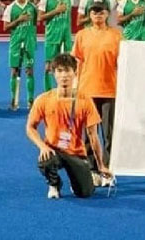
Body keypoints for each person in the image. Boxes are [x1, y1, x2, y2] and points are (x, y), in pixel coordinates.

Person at [26, 53, 112, 199]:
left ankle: (76, 180)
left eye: (67, 71)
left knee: (84, 193)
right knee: (46, 160)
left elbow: (93, 136)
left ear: (75, 73)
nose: (64, 75)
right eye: (59, 71)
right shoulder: (43, 100)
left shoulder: (85, 101)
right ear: (53, 74)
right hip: (54, 151)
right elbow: (30, 127)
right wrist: (42, 146)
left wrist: (101, 165)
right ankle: (54, 184)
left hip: (76, 154)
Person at [72, 0, 122, 184]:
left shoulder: (117, 36)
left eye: (101, 11)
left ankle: (107, 170)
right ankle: (92, 170)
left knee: (109, 135)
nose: (98, 14)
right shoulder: (82, 35)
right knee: (89, 134)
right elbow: (77, 62)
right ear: (89, 15)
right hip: (87, 90)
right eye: (94, 12)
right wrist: (74, 86)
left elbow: (124, 62)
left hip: (110, 90)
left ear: (107, 14)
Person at [38, 0, 79, 92]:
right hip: (52, 36)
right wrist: (56, 11)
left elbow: (84, 4)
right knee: (48, 66)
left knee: (69, 65)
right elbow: (40, 17)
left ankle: (69, 90)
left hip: (66, 36)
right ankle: (48, 92)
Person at [3, 0, 38, 110]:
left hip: (29, 42)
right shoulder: (10, 8)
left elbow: (35, 24)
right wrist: (19, 20)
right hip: (15, 43)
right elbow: (5, 27)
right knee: (14, 71)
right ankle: (14, 100)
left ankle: (30, 101)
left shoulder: (32, 8)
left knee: (29, 70)